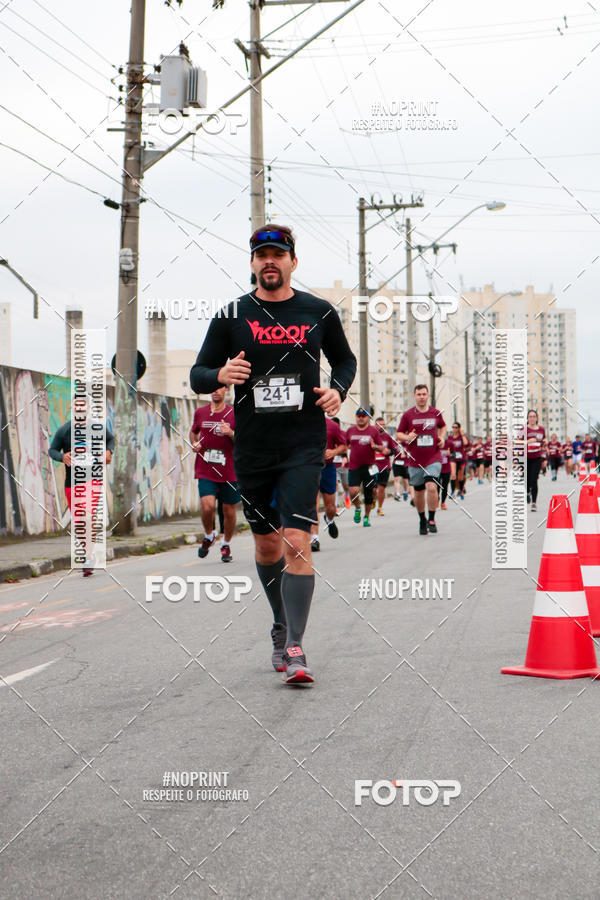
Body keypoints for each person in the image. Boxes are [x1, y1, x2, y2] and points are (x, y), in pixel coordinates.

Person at [190, 224, 356, 685]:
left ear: (292, 263)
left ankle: (298, 647)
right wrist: (220, 372)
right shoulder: (231, 315)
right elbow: (197, 374)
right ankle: (281, 625)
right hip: (254, 447)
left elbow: (345, 360)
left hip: (304, 444)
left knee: (297, 541)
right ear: (251, 264)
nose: (269, 261)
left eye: (278, 254)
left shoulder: (317, 311)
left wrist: (337, 391)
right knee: (265, 546)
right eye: (261, 254)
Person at [48, 417, 114, 577]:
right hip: (72, 484)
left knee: (88, 516)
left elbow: (110, 439)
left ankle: (88, 557)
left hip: (93, 480)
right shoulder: (65, 430)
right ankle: (87, 555)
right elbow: (52, 450)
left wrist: (108, 452)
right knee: (80, 523)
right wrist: (62, 457)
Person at [189, 386, 239, 563]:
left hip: (229, 469)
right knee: (207, 505)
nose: (215, 391)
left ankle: (225, 544)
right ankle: (209, 536)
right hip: (206, 467)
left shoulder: (233, 413)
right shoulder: (200, 412)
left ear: (226, 391)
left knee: (229, 511)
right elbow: (194, 432)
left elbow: (242, 439)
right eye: (212, 388)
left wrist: (230, 433)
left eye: (220, 388)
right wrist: (194, 444)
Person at [397, 384, 447, 534]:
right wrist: (407, 437)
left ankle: (432, 519)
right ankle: (422, 519)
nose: (421, 397)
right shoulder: (408, 415)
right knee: (418, 492)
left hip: (433, 457)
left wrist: (442, 438)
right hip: (415, 459)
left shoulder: (435, 413)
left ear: (428, 396)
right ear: (414, 396)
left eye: (424, 394)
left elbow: (443, 426)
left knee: (431, 486)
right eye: (418, 394)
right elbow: (398, 434)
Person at [310, 416, 346, 551]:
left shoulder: (332, 425)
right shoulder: (303, 422)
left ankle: (329, 519)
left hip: (327, 469)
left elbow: (343, 446)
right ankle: (314, 538)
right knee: (312, 505)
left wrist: (334, 451)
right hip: (309, 469)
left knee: (331, 508)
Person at [346, 408, 385, 527]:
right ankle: (357, 508)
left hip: (369, 467)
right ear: (356, 417)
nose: (361, 418)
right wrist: (343, 455)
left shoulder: (373, 431)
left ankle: (366, 517)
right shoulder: (350, 430)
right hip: (354, 466)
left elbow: (382, 448)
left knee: (369, 493)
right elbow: (345, 445)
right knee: (353, 491)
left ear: (368, 418)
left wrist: (375, 447)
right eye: (359, 416)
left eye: (363, 416)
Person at [374, 417, 395, 516]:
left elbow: (394, 450)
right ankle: (373, 499)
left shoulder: (388, 437)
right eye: (379, 424)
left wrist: (389, 452)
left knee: (381, 488)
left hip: (385, 465)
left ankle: (380, 507)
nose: (381, 426)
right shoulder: (371, 436)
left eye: (383, 424)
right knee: (373, 489)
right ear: (375, 425)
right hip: (372, 466)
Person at [525, 409, 546, 511]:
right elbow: (518, 443)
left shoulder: (541, 429)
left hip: (537, 458)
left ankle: (534, 503)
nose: (532, 418)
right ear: (527, 418)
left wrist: (544, 442)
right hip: (526, 458)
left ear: (537, 418)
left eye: (534, 416)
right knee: (527, 480)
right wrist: (528, 441)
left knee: (534, 480)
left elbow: (543, 442)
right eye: (530, 416)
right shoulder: (524, 429)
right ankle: (527, 492)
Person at [446, 422, 469, 499]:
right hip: (453, 458)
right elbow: (447, 446)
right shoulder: (450, 437)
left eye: (456, 427)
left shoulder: (462, 437)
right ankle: (452, 492)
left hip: (462, 458)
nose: (454, 429)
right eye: (453, 427)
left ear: (459, 428)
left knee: (461, 477)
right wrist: (448, 451)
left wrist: (462, 434)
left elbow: (465, 443)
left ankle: (461, 490)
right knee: (453, 475)